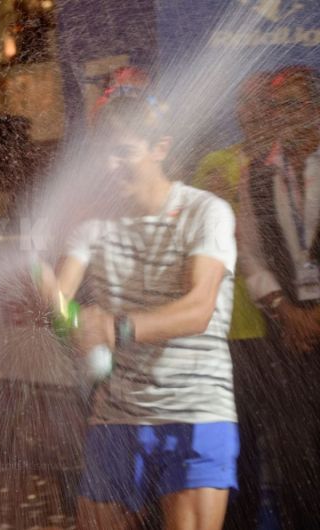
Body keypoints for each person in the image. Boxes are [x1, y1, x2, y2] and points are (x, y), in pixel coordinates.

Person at [38, 91, 239, 530]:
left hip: (196, 411)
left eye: (123, 152)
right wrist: (41, 289)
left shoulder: (206, 212)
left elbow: (199, 309)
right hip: (116, 414)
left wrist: (117, 328)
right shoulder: (90, 225)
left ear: (160, 147)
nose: (110, 166)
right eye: (102, 154)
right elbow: (60, 308)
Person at [238, 66, 320, 530]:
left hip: (309, 324)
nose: (283, 115)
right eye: (275, 107)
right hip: (288, 338)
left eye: (293, 104)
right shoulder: (256, 174)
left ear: (316, 108)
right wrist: (286, 311)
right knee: (295, 456)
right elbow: (249, 254)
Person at [191, 73, 274, 529]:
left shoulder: (288, 163)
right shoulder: (216, 163)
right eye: (246, 102)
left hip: (282, 327)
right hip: (236, 331)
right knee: (241, 439)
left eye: (264, 102)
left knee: (292, 438)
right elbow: (209, 232)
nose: (254, 111)